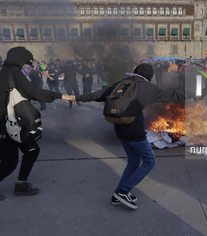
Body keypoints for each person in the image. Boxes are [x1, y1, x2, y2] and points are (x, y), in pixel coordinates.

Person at [74, 63, 185, 209]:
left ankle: (117, 196)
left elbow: (98, 95)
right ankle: (123, 191)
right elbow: (173, 94)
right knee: (150, 161)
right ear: (148, 76)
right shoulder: (146, 86)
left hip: (120, 129)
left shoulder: (122, 83)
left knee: (133, 161)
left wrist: (75, 97)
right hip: (134, 131)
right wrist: (196, 93)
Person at [0, 46, 70, 202]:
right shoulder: (14, 73)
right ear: (20, 59)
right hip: (3, 126)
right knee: (9, 163)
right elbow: (34, 91)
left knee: (32, 149)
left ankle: (21, 184)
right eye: (29, 60)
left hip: (15, 124)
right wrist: (60, 95)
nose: (31, 63)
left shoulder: (9, 72)